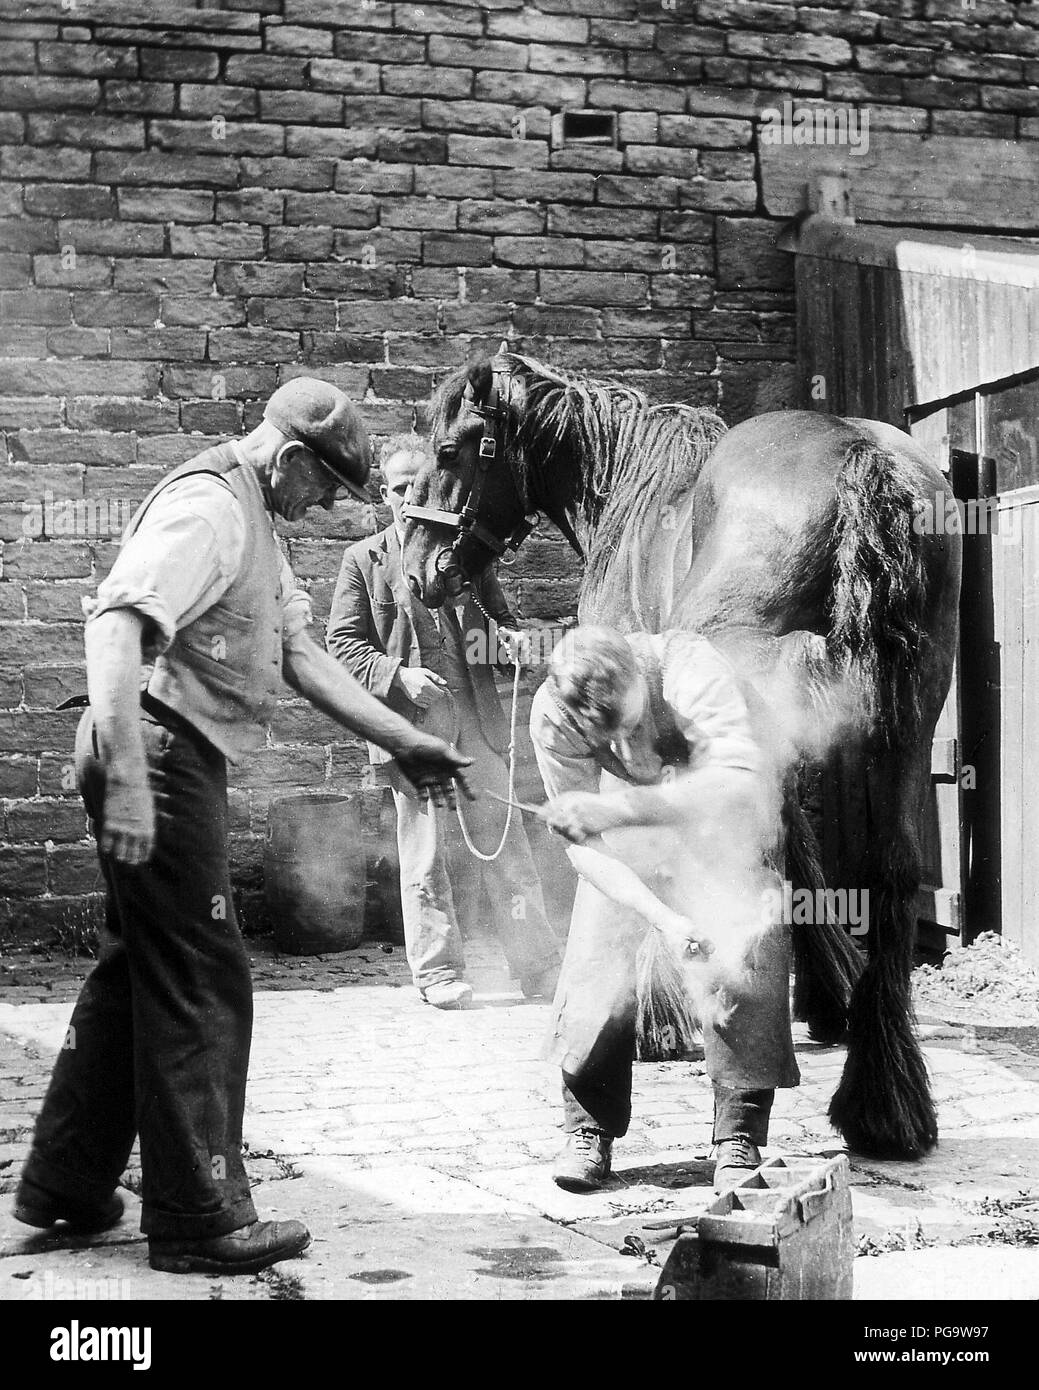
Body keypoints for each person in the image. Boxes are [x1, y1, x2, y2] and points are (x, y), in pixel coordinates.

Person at [13, 380, 471, 1275]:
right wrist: (135, 786)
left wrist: (405, 739)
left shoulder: (254, 516)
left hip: (168, 749)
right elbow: (114, 629)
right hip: (152, 745)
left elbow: (300, 653)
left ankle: (63, 1184)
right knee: (203, 976)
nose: (327, 506)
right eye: (327, 488)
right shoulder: (211, 508)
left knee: (137, 965)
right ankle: (199, 1218)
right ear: (292, 457)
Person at [529, 624, 800, 1193]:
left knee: (744, 938)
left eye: (631, 727)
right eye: (608, 740)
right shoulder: (554, 715)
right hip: (632, 820)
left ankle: (738, 1136)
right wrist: (665, 918)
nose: (626, 750)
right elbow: (587, 853)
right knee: (596, 952)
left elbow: (735, 780)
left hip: (724, 805)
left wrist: (619, 808)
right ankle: (588, 1129)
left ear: (638, 677)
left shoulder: (689, 670)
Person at [327, 434, 561, 1010]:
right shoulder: (363, 561)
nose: (411, 498)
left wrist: (510, 643)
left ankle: (538, 965)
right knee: (427, 856)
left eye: (420, 487)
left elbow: (499, 627)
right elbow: (341, 644)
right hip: (413, 730)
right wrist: (397, 676)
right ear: (385, 494)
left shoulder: (462, 557)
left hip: (476, 723)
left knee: (508, 851)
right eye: (401, 488)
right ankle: (437, 973)